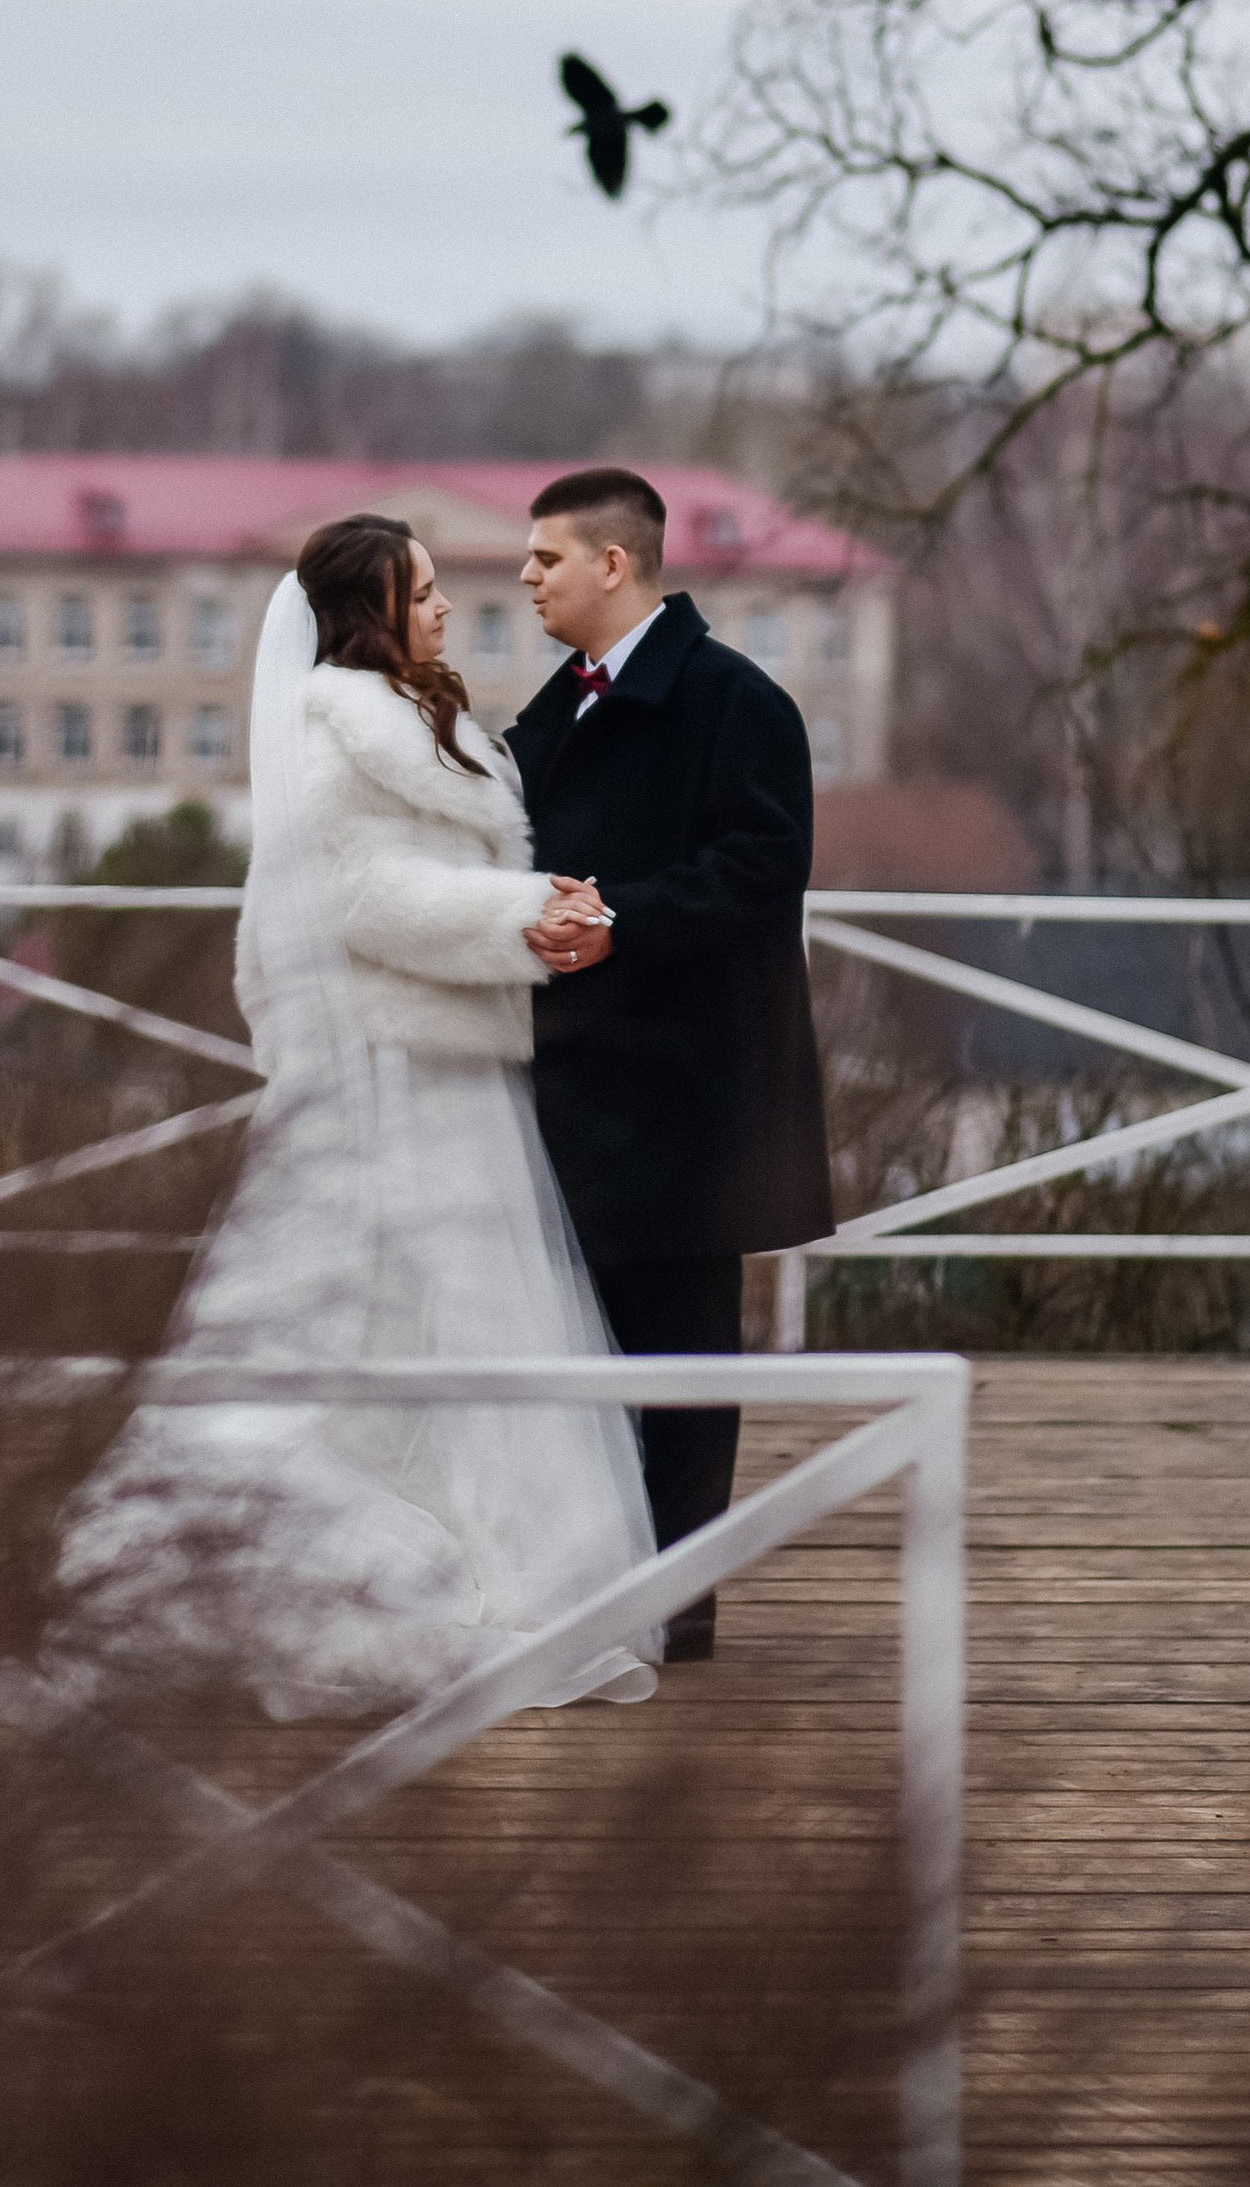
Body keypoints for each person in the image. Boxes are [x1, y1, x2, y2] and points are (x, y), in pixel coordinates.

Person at [51, 512, 659, 1717]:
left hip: (449, 1054)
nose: (442, 606)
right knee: (413, 1302)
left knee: (465, 1312)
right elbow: (359, 893)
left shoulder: (427, 714)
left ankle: (526, 1561)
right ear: (366, 612)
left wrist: (536, 904)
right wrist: (522, 916)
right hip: (393, 1065)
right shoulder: (340, 723)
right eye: (420, 591)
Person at [508, 466, 835, 1662]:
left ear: (614, 563)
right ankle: (600, 1586)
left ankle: (678, 1609)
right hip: (581, 1089)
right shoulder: (559, 708)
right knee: (583, 1346)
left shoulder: (734, 700)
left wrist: (620, 919)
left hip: (692, 1100)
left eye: (545, 557)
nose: (526, 577)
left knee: (682, 1357)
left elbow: (762, 870)